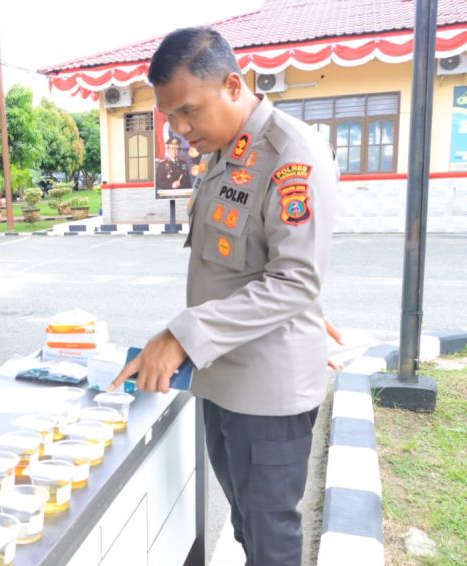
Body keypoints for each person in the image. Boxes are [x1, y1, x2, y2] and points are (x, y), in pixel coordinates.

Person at [111, 27, 338, 565]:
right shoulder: (225, 146)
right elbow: (249, 265)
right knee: (244, 523)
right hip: (223, 378)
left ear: (234, 85)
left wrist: (181, 336)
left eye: (188, 111)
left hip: (267, 390)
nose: (179, 128)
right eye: (170, 116)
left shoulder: (290, 156)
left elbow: (296, 279)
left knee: (269, 538)